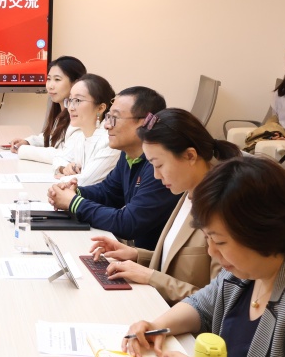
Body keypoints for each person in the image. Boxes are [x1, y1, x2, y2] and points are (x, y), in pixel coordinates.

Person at [123, 157, 285, 357]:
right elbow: (201, 306)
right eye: (207, 238)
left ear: (263, 232)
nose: (211, 252)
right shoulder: (245, 273)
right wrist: (156, 327)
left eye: (220, 242)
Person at [89, 108, 240, 305]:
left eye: (159, 165)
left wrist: (151, 277)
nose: (156, 175)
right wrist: (137, 255)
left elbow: (220, 302)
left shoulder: (225, 207)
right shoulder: (188, 190)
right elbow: (178, 260)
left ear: (190, 156)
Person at [47, 86, 179, 250]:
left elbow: (128, 223)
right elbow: (108, 192)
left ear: (145, 123)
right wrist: (76, 191)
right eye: (108, 117)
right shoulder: (128, 154)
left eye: (115, 118)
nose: (107, 125)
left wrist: (74, 202)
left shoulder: (159, 167)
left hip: (151, 261)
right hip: (136, 255)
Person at [9, 56, 87, 163]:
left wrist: (24, 150)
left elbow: (65, 154)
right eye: (49, 79)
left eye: (57, 79)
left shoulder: (79, 115)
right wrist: (28, 142)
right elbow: (52, 138)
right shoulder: (59, 110)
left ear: (76, 83)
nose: (50, 86)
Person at [52, 73, 119, 186]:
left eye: (78, 100)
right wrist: (65, 168)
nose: (71, 108)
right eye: (70, 100)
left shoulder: (110, 139)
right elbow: (58, 157)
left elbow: (86, 180)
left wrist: (64, 178)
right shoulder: (80, 134)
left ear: (100, 108)